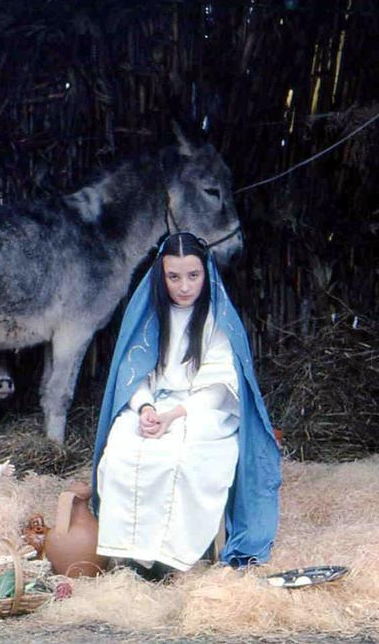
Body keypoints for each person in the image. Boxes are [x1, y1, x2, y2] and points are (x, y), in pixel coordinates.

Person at [91, 232, 280, 580]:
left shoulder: (216, 320)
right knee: (122, 450)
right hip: (152, 406)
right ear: (161, 277)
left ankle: (169, 558)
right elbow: (132, 375)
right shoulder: (149, 319)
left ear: (205, 274)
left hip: (202, 410)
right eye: (174, 276)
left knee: (182, 455)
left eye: (193, 276)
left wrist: (174, 415)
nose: (184, 286)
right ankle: (133, 557)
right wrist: (147, 410)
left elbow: (220, 381)